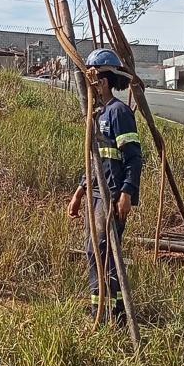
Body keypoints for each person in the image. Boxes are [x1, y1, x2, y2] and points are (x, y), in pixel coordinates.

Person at [67, 49, 143, 322]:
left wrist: (127, 193)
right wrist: (79, 192)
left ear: (104, 81)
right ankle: (103, 310)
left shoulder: (118, 112)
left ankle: (111, 313)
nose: (90, 84)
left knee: (104, 251)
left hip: (112, 195)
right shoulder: (98, 114)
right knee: (95, 251)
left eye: (93, 78)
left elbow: (133, 157)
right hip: (97, 194)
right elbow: (95, 162)